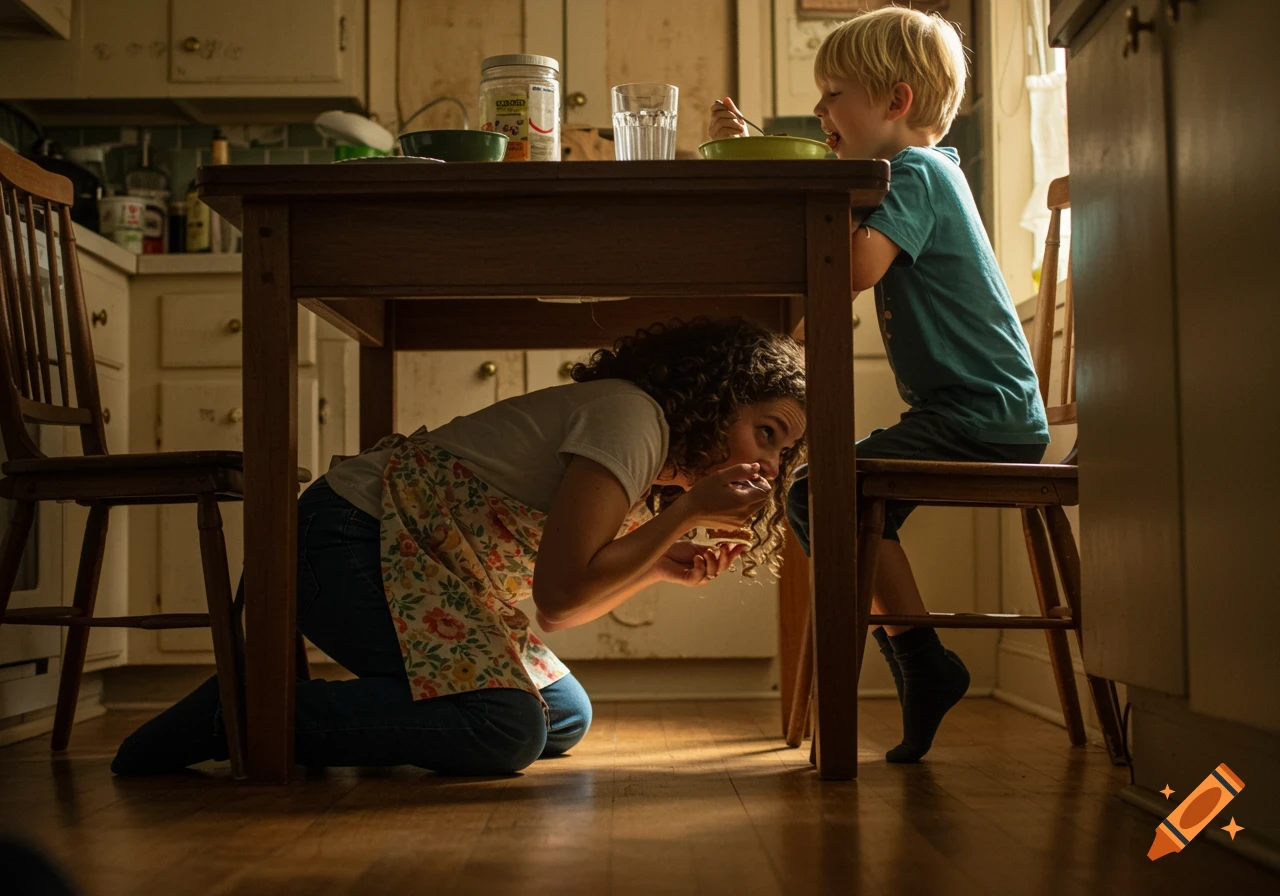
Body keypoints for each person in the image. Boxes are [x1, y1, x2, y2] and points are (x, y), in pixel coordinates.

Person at [111, 318, 806, 776]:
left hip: (402, 558)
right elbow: (560, 593)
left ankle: (327, 714)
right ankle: (238, 713)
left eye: (786, 452)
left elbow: (562, 610)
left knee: (562, 715)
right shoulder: (632, 419)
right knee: (505, 727)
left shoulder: (646, 451)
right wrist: (681, 516)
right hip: (340, 542)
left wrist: (656, 563)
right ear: (718, 400)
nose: (773, 465)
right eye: (768, 432)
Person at [709, 7, 1049, 763]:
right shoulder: (925, 176)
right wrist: (761, 156)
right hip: (977, 413)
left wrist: (764, 173)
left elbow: (851, 270)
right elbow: (828, 281)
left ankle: (924, 664)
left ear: (895, 101)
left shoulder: (922, 173)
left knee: (817, 491)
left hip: (982, 416)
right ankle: (923, 664)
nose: (822, 109)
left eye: (834, 93)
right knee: (826, 491)